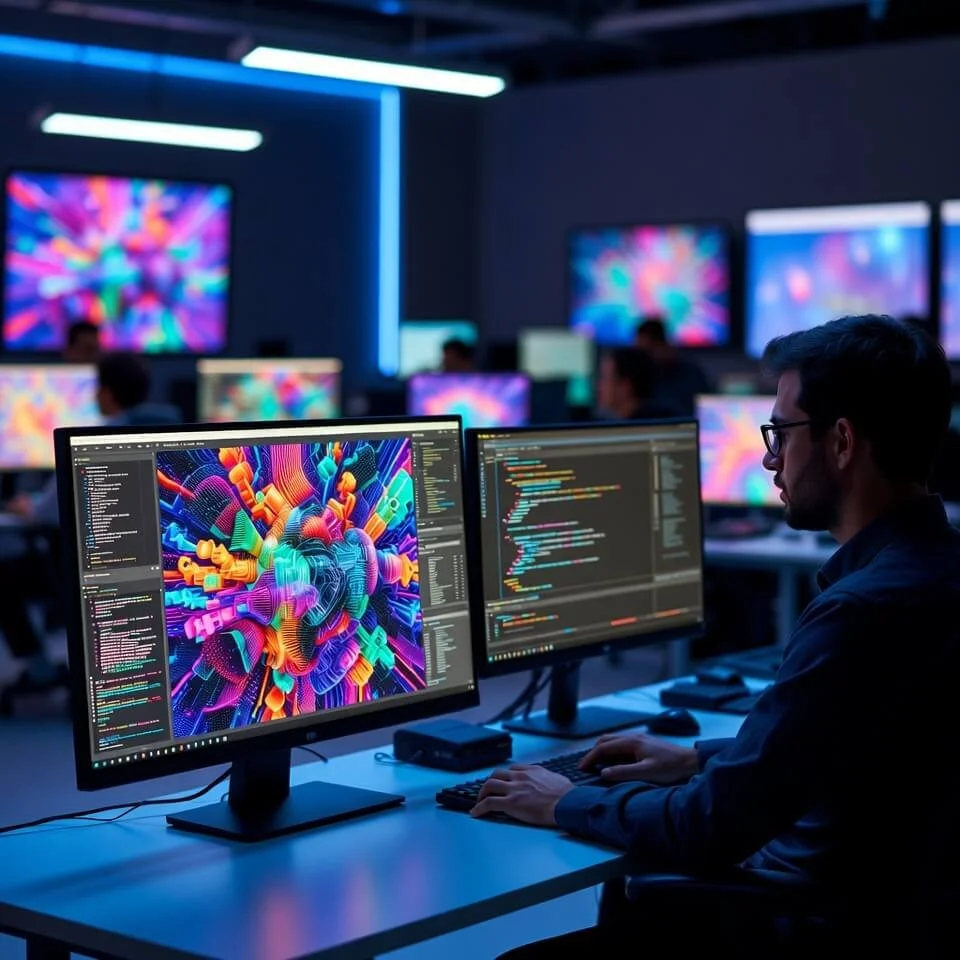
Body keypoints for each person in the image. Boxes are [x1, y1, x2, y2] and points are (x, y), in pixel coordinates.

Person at [474, 315, 960, 957]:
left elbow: (708, 828)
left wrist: (567, 800)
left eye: (781, 433)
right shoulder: (938, 573)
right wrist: (696, 759)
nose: (768, 457)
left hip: (808, 927)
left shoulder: (861, 612)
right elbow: (846, 750)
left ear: (842, 442)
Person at [0, 353, 180, 711]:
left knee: (4, 577)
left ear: (108, 394)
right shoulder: (159, 430)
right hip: (143, 564)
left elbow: (46, 511)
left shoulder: (92, 439)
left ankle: (37, 669)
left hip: (81, 568)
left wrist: (22, 505)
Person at [634, 316, 712, 416]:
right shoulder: (641, 378)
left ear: (661, 345)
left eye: (645, 351)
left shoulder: (691, 373)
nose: (642, 357)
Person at [595, 346, 679, 421]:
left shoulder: (647, 428)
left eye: (605, 378)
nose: (599, 386)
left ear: (625, 387)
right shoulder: (668, 420)